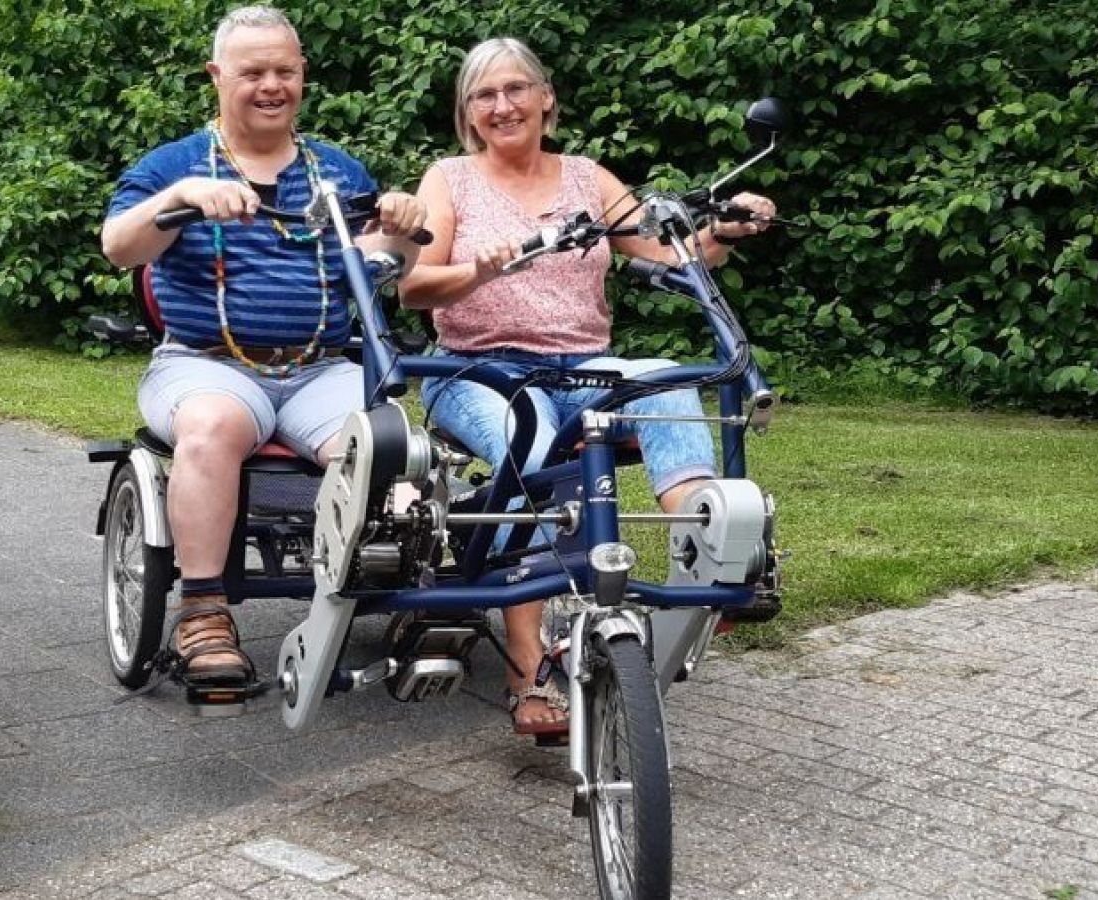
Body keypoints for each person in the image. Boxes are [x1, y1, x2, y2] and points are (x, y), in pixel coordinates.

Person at [398, 37, 775, 741]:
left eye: (516, 89)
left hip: (585, 365)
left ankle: (705, 562)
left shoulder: (586, 177)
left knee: (666, 381)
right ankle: (526, 669)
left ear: (547, 99)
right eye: (485, 95)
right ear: (469, 112)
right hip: (477, 369)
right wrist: (477, 271)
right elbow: (415, 284)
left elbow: (669, 250)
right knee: (534, 441)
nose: (503, 105)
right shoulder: (449, 180)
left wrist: (724, 227)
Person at [101, 5, 427, 701]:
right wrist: (184, 198)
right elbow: (118, 246)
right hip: (204, 364)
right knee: (213, 426)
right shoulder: (174, 164)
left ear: (303, 74)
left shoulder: (337, 171)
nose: (271, 85)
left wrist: (401, 229)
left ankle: (403, 595)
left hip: (316, 369)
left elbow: (378, 270)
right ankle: (204, 612)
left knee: (391, 443)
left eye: (285, 70)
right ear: (218, 77)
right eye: (253, 72)